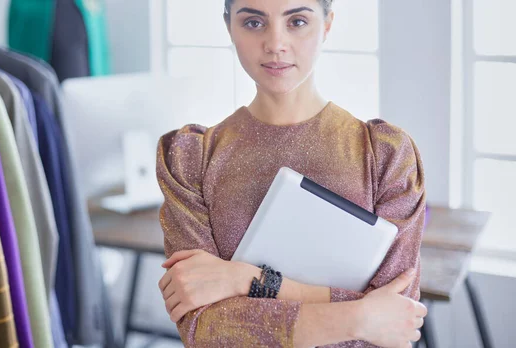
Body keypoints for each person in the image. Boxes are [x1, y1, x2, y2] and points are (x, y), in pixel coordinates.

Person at [156, 0, 428, 347]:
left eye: (297, 21)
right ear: (229, 27)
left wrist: (247, 280)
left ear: (327, 24)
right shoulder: (191, 158)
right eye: (253, 23)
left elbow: (396, 318)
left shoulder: (385, 154)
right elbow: (204, 330)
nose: (275, 44)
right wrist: (359, 317)